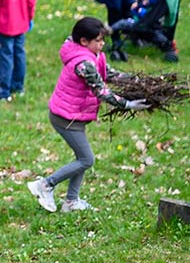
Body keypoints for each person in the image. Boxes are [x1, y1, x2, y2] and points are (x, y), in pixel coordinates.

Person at [26, 17, 149, 213]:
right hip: (65, 118)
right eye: (98, 40)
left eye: (103, 40)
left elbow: (108, 74)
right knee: (86, 159)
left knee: (81, 158)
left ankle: (71, 201)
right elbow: (102, 91)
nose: (102, 44)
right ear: (84, 41)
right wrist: (128, 104)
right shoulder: (83, 63)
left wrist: (137, 81)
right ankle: (45, 185)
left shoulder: (94, 54)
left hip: (74, 115)